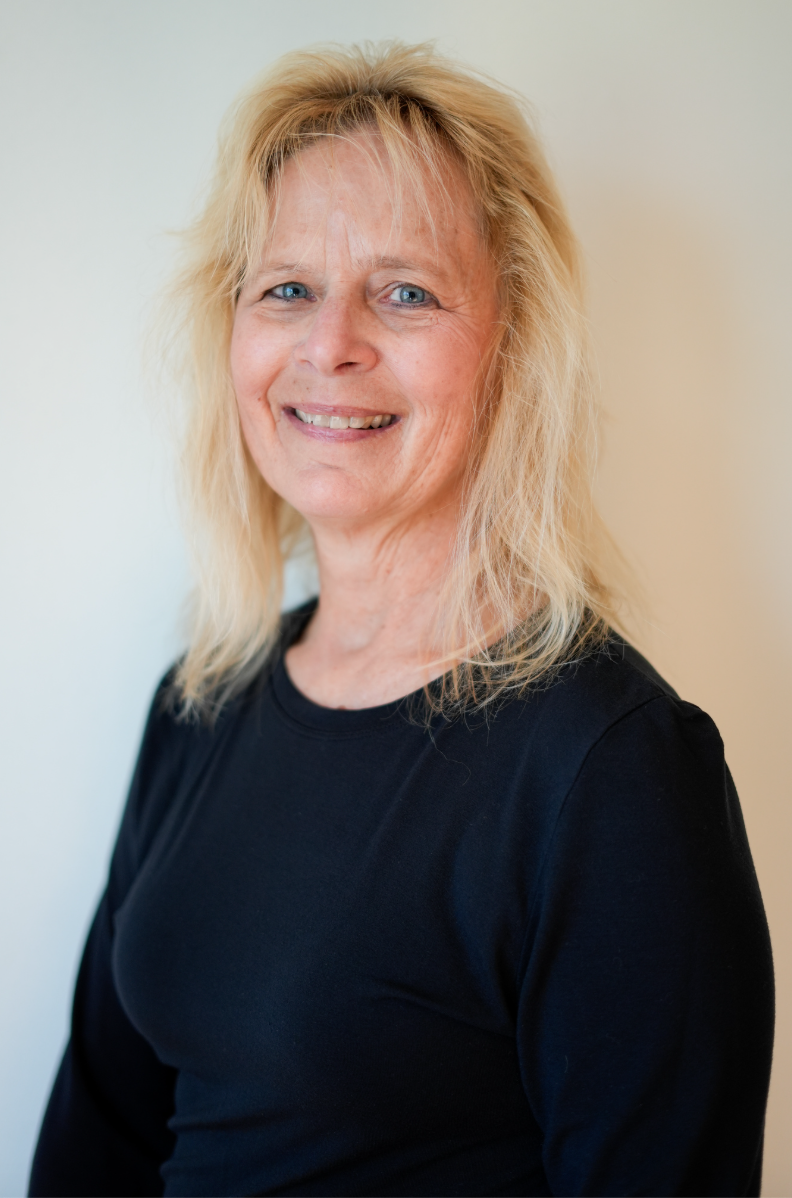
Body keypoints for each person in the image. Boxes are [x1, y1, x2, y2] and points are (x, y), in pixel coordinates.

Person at [29, 41, 773, 1198]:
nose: (330, 344)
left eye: (406, 291)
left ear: (512, 346)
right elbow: (103, 1138)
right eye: (287, 288)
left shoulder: (612, 771)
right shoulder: (200, 704)